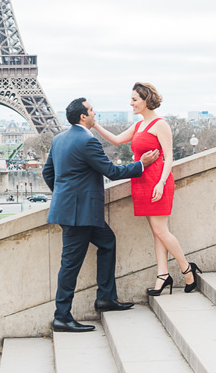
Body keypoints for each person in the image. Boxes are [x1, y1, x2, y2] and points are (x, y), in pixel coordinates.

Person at [43, 97, 160, 333]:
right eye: (92, 110)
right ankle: (62, 316)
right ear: (83, 117)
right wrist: (142, 164)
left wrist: (64, 196)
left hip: (75, 211)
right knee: (70, 264)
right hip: (80, 214)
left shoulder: (59, 139)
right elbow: (112, 172)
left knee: (107, 242)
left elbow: (48, 173)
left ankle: (106, 297)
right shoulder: (88, 142)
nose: (95, 113)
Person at [93, 82, 201, 295]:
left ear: (145, 100)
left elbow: (169, 156)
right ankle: (162, 275)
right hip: (141, 181)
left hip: (156, 180)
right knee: (156, 231)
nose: (131, 103)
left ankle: (187, 270)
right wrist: (94, 124)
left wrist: (161, 182)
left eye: (134, 99)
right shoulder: (139, 126)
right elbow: (115, 140)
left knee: (161, 230)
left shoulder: (160, 124)